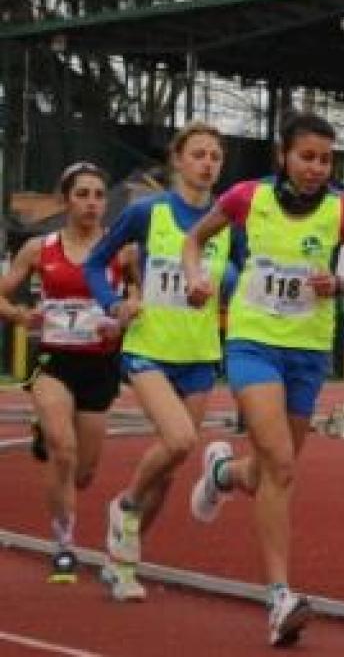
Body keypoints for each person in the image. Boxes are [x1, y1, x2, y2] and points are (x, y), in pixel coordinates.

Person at [181, 112, 344, 647]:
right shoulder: (249, 197)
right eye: (306, 156)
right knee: (282, 463)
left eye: (325, 159)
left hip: (309, 353)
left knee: (274, 471)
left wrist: (339, 284)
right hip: (253, 342)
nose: (317, 168)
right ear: (283, 156)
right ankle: (279, 597)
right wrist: (196, 277)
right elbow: (194, 240)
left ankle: (223, 474)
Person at [84, 123, 241, 601]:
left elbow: (246, 277)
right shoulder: (147, 213)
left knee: (172, 468)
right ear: (178, 159)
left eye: (215, 156)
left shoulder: (229, 224)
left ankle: (123, 562)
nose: (208, 163)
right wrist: (113, 304)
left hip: (199, 355)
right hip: (149, 346)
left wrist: (233, 285)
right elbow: (96, 263)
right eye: (199, 154)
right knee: (178, 440)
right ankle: (126, 505)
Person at [0, 163, 123, 582]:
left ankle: (46, 435)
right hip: (53, 358)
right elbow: (2, 294)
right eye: (83, 194)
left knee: (83, 473)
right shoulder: (39, 248)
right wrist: (20, 315)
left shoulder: (121, 249)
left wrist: (125, 313)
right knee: (63, 450)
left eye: (98, 195)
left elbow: (143, 294)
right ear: (66, 200)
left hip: (100, 363)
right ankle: (64, 543)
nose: (92, 203)